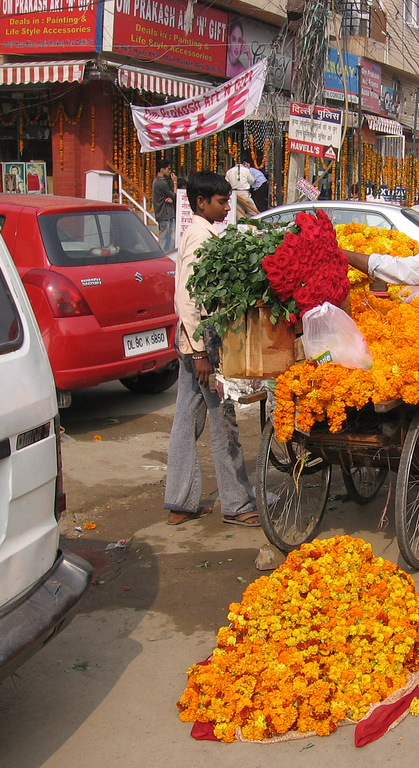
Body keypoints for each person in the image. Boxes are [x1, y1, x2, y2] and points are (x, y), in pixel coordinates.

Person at [164, 171, 258, 527]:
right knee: (223, 420)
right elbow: (187, 299)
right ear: (201, 202)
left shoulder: (203, 233)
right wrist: (201, 353)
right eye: (221, 201)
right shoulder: (199, 237)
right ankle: (236, 504)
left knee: (186, 420)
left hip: (193, 339)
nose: (226, 207)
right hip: (200, 341)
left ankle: (180, 502)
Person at [152, 159, 177, 253]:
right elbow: (174, 196)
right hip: (164, 214)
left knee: (169, 238)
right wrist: (175, 182)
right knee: (166, 239)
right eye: (168, 169)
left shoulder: (159, 181)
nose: (170, 172)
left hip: (167, 213)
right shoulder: (161, 182)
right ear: (162, 169)